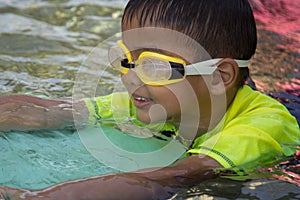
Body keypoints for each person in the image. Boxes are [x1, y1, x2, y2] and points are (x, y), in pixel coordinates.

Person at [0, 0, 299, 199]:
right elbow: (54, 110)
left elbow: (174, 176)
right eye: (126, 59)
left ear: (218, 77)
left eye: (154, 66)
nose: (131, 77)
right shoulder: (154, 98)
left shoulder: (261, 128)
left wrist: (37, 197)